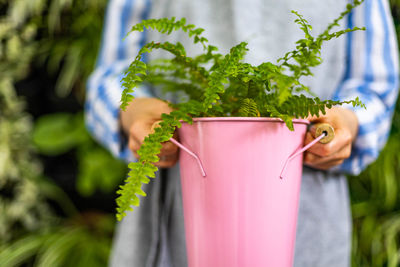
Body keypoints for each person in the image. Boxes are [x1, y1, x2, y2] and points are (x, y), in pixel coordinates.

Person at [85, 0, 399, 266]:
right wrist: (133, 111)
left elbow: (374, 85)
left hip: (309, 208)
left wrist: (346, 120)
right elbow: (114, 73)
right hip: (172, 203)